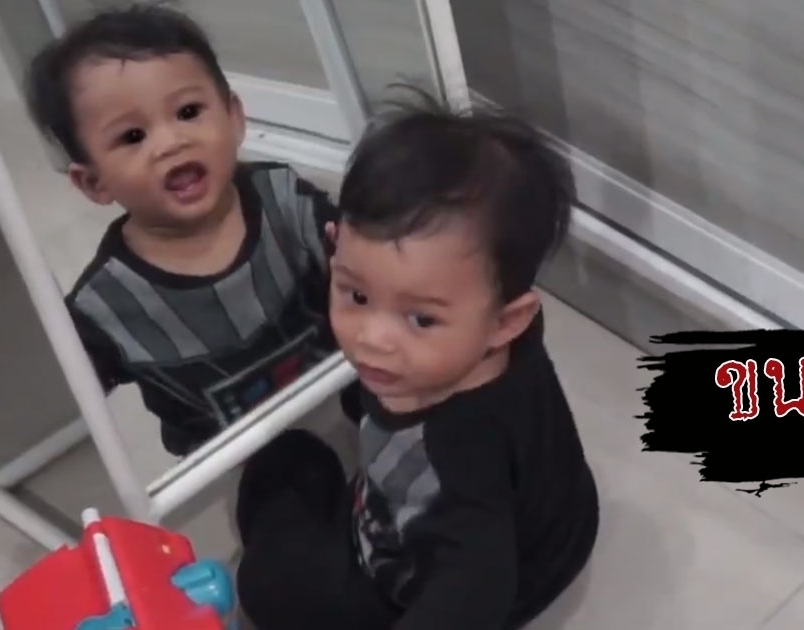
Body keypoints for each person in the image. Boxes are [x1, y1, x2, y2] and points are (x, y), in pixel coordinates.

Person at [234, 87, 601, 630]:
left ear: (507, 320)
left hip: (448, 584)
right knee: (290, 455)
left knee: (268, 576)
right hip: (554, 525)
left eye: (421, 319)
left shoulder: (458, 464)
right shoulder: (488, 334)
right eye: (357, 294)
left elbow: (476, 594)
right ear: (334, 247)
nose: (372, 339)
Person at [23, 4, 360, 457]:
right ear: (94, 182)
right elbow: (69, 394)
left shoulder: (285, 198)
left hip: (344, 390)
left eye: (187, 111)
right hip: (231, 460)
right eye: (132, 137)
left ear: (234, 117)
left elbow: (363, 261)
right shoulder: (107, 303)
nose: (171, 142)